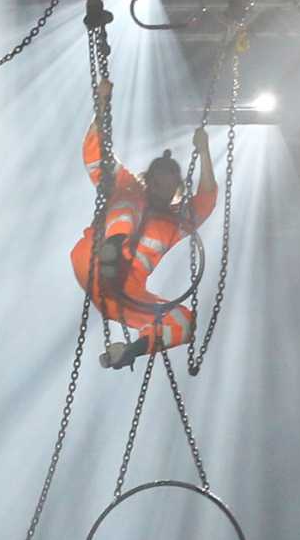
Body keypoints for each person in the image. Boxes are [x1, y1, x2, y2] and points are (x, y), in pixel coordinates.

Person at [72, 80, 218, 370]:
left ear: (176, 188)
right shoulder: (128, 189)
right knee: (129, 204)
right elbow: (95, 152)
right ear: (148, 179)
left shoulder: (175, 222)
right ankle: (111, 251)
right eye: (158, 181)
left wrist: (204, 152)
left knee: (183, 321)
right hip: (94, 261)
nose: (162, 189)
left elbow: (207, 198)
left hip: (123, 293)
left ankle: (129, 352)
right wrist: (102, 104)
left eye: (169, 184)